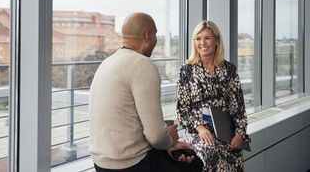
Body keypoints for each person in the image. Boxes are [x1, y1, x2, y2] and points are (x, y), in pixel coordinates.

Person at [89, 12, 203, 172]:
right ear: (147, 35)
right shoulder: (142, 65)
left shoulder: (108, 62)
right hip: (131, 164)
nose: (156, 40)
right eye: (155, 34)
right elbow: (156, 136)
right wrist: (169, 139)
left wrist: (167, 144)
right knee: (195, 163)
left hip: (101, 163)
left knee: (174, 155)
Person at [176, 20, 250, 171]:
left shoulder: (229, 69)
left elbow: (238, 107)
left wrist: (239, 134)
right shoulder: (186, 71)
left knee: (234, 156)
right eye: (198, 38)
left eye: (207, 38)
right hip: (198, 132)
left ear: (217, 40)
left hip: (225, 132)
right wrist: (200, 128)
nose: (202, 42)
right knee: (210, 154)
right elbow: (182, 110)